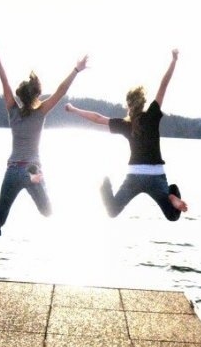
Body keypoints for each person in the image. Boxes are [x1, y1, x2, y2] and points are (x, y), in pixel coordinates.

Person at [65, 49, 188, 221]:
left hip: (134, 176)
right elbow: (163, 85)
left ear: (128, 105)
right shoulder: (152, 115)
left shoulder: (125, 124)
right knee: (173, 216)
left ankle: (103, 183)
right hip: (156, 176)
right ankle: (171, 194)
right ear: (143, 103)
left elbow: (97, 118)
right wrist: (173, 61)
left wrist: (74, 109)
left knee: (112, 210)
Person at [0, 40, 88, 238]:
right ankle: (35, 182)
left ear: (20, 96)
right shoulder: (41, 111)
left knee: (1, 210)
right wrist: (76, 70)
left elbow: (4, 83)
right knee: (47, 211)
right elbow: (61, 91)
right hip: (32, 170)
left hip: (13, 170)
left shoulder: (13, 111)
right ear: (36, 95)